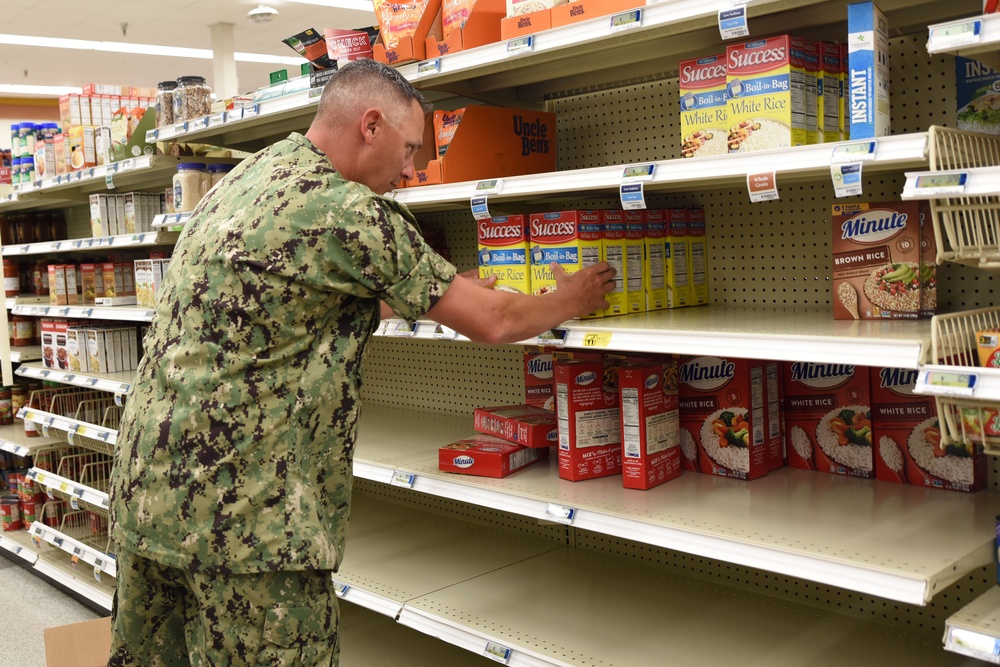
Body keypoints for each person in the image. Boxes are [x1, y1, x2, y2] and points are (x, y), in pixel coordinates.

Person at [108, 58, 614, 667]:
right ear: (370, 125)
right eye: (409, 150)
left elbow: (291, 299)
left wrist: (447, 288)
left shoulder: (244, 180)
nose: (410, 171)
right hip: (250, 527)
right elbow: (497, 322)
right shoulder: (348, 211)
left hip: (147, 500)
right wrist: (569, 298)